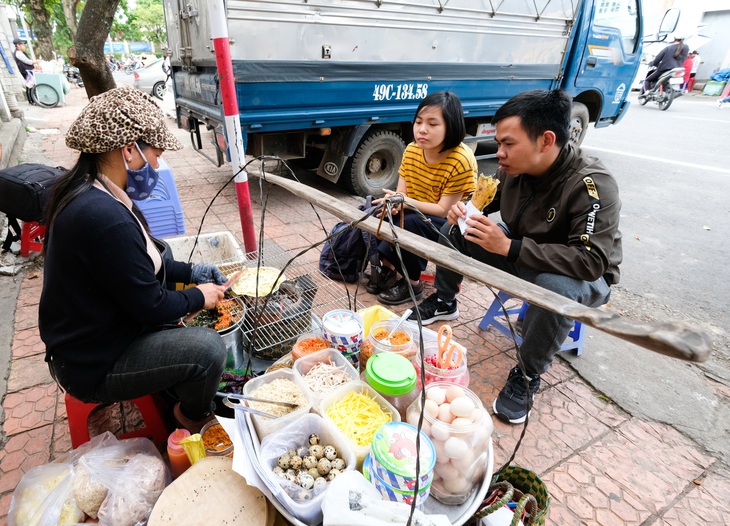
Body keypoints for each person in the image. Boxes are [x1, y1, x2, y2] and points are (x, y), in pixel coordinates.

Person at [409, 89, 622, 424]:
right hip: (522, 252)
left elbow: (591, 261)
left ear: (545, 140)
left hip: (580, 276)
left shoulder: (592, 184)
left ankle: (527, 374)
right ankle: (445, 300)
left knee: (556, 287)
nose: (500, 152)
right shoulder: (513, 168)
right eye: (499, 143)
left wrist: (510, 248)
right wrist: (465, 212)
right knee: (454, 232)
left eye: (508, 143)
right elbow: (487, 202)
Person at [39, 86, 229, 433]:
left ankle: (170, 385)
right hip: (91, 363)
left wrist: (193, 272)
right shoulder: (103, 218)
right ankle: (192, 416)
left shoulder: (91, 188)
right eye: (154, 155)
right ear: (129, 150)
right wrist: (201, 295)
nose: (157, 165)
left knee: (166, 252)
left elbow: (147, 262)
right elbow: (151, 305)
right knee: (207, 349)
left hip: (95, 336)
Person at [366, 91, 477, 305]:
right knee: (382, 212)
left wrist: (405, 203)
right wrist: (396, 205)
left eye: (433, 124)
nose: (422, 129)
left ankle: (413, 284)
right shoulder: (412, 150)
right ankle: (388, 268)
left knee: (410, 222)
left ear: (451, 126)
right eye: (418, 122)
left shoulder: (461, 160)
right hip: (414, 210)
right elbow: (402, 194)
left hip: (448, 225)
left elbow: (445, 210)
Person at [12, 38, 40, 105]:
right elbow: (28, 62)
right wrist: (37, 61)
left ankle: (33, 100)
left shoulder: (20, 52)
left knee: (30, 85)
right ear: (18, 45)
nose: (24, 46)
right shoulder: (18, 53)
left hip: (27, 70)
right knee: (30, 85)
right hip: (26, 71)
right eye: (22, 44)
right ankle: (32, 101)